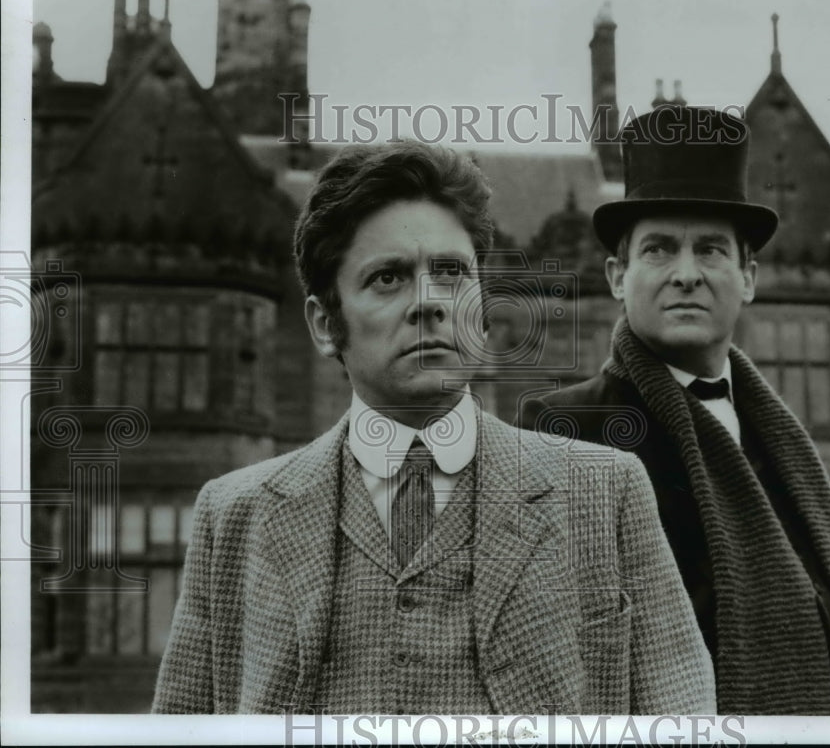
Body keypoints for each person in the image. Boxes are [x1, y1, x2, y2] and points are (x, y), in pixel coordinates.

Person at [152, 140, 716, 715]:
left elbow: (685, 720)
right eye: (388, 278)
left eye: (451, 272)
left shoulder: (608, 490)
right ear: (325, 324)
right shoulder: (234, 515)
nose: (430, 303)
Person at [517, 106, 830, 715]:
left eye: (710, 250)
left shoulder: (788, 445)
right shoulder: (561, 430)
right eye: (659, 250)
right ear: (616, 277)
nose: (687, 274)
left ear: (749, 277)